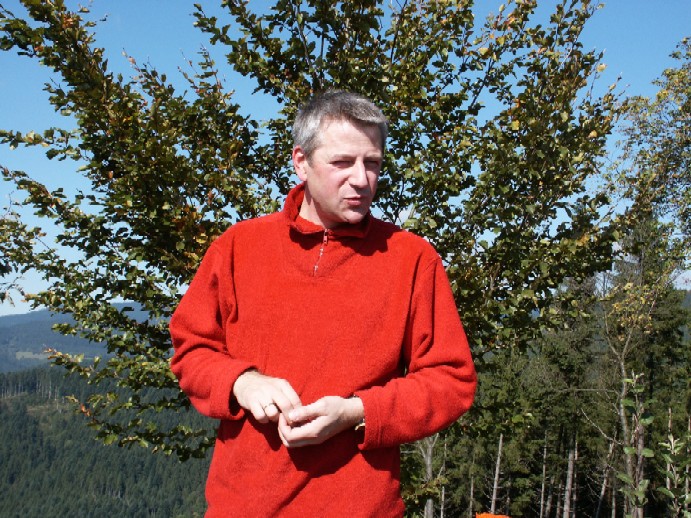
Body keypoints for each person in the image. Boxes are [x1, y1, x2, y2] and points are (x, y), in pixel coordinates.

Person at [169, 90, 477, 517]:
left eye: (372, 163)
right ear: (301, 162)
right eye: (342, 162)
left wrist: (358, 412)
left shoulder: (411, 259)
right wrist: (242, 382)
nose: (361, 179)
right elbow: (191, 349)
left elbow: (451, 380)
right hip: (241, 506)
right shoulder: (239, 247)